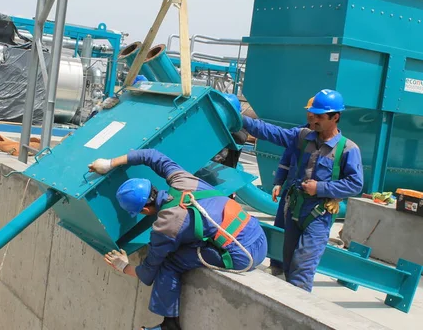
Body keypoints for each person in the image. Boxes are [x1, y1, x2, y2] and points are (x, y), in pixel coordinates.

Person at [88, 149, 268, 330]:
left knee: (169, 263)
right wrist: (109, 163)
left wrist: (123, 266)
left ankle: (169, 326)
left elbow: (148, 272)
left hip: (243, 255)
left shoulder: (166, 226)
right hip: (258, 235)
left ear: (143, 210)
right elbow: (151, 155)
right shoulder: (183, 179)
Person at [243, 89, 363, 292]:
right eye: (311, 114)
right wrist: (241, 119)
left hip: (318, 215)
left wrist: (321, 188)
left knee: (302, 269)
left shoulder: (348, 150)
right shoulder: (303, 137)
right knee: (289, 264)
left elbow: (355, 184)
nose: (312, 119)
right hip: (294, 210)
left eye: (319, 116)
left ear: (336, 117)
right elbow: (272, 132)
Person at [265, 96, 316, 276]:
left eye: (314, 111)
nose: (311, 114)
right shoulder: (300, 135)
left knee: (302, 232)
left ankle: (294, 267)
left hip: (310, 195)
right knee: (280, 223)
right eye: (309, 111)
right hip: (290, 189)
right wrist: (278, 183)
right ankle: (276, 263)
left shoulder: (330, 142)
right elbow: (286, 160)